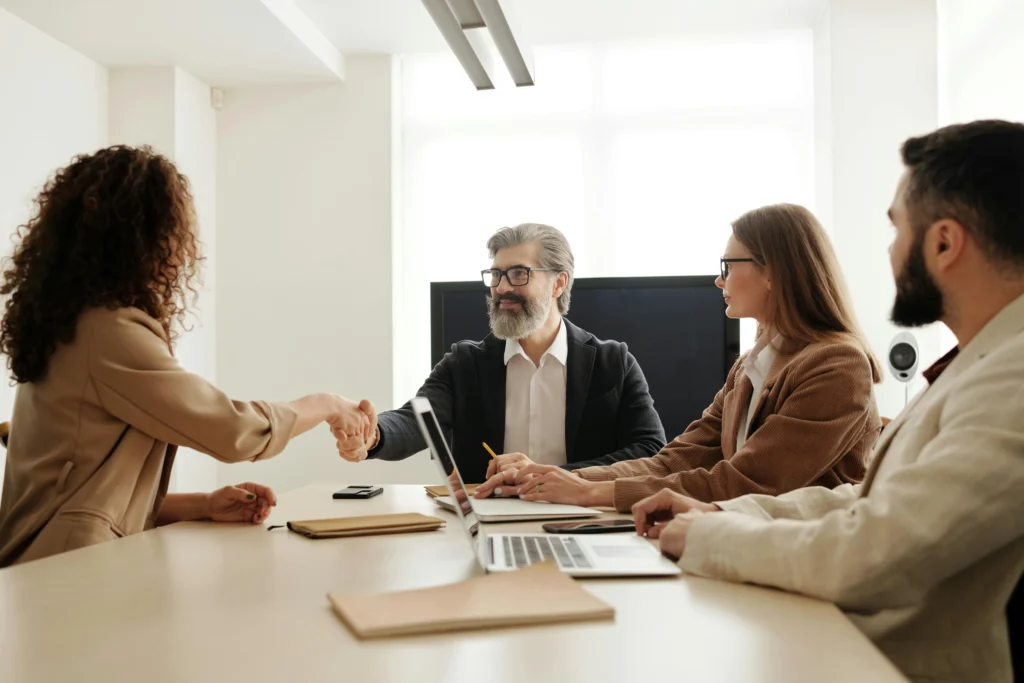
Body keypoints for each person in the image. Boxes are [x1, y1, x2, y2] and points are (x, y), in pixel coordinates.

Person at [631, 120, 1024, 683]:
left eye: (897, 230)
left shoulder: (1013, 378)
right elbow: (861, 501)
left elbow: (879, 550)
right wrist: (723, 514)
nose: (890, 252)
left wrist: (713, 536)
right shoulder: (981, 362)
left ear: (943, 242)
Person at [0, 146, 372, 567]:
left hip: (49, 568)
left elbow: (82, 493)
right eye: (176, 230)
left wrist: (202, 504)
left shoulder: (68, 325)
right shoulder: (107, 333)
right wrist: (326, 404)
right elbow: (232, 430)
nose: (182, 247)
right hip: (63, 575)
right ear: (146, 236)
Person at [479, 204, 882, 512]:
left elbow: (747, 482)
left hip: (798, 567)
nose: (719, 279)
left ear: (773, 272)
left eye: (728, 265)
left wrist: (592, 492)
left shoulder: (837, 366)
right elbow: (674, 460)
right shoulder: (749, 367)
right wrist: (561, 478)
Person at [335, 223, 666, 484]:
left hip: (582, 516)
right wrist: (373, 434)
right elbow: (416, 421)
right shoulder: (463, 364)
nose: (502, 287)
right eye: (496, 275)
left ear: (558, 283)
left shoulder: (613, 363)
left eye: (518, 274)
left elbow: (650, 451)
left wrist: (557, 476)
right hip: (490, 519)